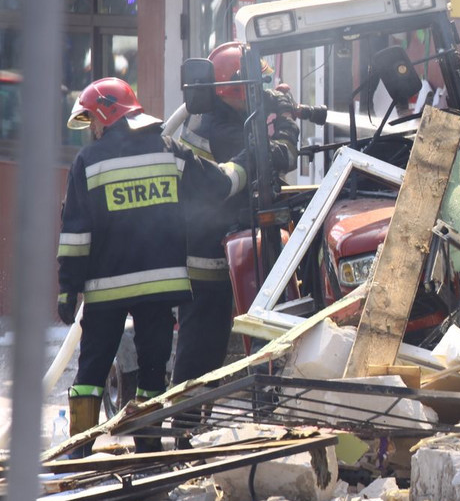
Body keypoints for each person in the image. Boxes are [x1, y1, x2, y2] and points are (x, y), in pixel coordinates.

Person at [57, 77, 249, 455]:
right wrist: (249, 159)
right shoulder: (170, 150)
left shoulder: (88, 162)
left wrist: (68, 289)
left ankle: (78, 452)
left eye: (92, 121)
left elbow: (75, 235)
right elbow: (218, 186)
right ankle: (148, 446)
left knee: (91, 373)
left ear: (104, 115)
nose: (91, 130)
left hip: (106, 291)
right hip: (159, 289)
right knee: (152, 371)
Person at [172, 42, 298, 387]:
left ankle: (193, 420)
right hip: (207, 255)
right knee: (202, 349)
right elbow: (278, 157)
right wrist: (286, 120)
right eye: (258, 88)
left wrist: (268, 102)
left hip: (217, 242)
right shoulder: (221, 128)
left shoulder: (220, 115)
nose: (265, 93)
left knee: (208, 349)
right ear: (236, 90)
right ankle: (182, 421)